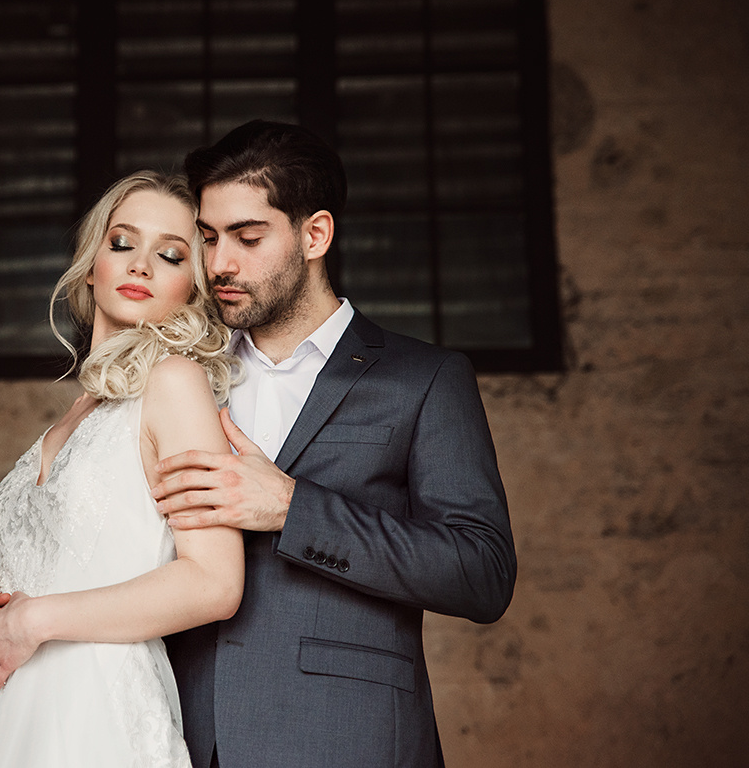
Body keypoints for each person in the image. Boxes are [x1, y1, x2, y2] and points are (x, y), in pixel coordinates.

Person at [150, 120, 519, 768]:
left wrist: (295, 507)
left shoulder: (423, 379)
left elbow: (481, 572)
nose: (218, 264)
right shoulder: (180, 375)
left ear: (315, 234)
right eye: (207, 237)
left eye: (247, 236)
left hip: (350, 737)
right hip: (180, 733)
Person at [0, 172, 245, 768]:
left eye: (171, 254)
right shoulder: (69, 419)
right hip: (8, 707)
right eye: (122, 243)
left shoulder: (173, 383)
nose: (141, 265)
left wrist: (36, 619)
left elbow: (215, 582)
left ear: (193, 289)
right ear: (92, 261)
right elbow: (65, 568)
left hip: (99, 710)